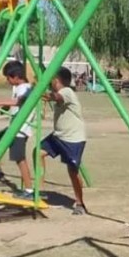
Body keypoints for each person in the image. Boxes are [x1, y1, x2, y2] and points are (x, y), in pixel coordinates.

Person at [0, 61, 38, 198]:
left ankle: (29, 191)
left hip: (20, 130)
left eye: (8, 78)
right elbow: (14, 105)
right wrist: (1, 107)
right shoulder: (18, 88)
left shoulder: (27, 88)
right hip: (13, 127)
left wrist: (0, 102)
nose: (7, 81)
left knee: (20, 160)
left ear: (16, 76)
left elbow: (19, 102)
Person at [39, 66, 87, 215]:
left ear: (57, 80)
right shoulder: (60, 91)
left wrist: (43, 92)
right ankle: (38, 189)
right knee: (38, 152)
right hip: (58, 135)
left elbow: (56, 98)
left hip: (73, 138)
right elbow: (51, 97)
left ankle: (80, 203)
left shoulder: (66, 91)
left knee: (72, 171)